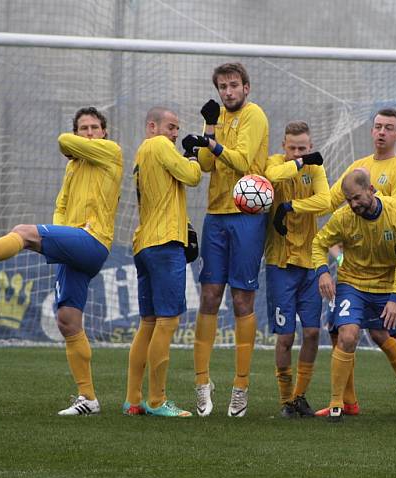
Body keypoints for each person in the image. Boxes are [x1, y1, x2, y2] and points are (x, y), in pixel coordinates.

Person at [0, 107, 123, 416]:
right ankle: (88, 398)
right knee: (67, 320)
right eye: (84, 129)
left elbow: (63, 141)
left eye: (94, 128)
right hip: (73, 244)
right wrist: (60, 234)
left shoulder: (111, 152)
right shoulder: (73, 168)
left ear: (104, 133)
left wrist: (61, 234)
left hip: (93, 241)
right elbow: (61, 206)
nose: (89, 133)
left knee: (23, 233)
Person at [317, 108, 396, 416]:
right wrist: (298, 203)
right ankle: (345, 402)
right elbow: (331, 202)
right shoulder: (358, 166)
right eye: (377, 126)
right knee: (342, 333)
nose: (381, 132)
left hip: (391, 266)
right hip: (356, 272)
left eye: (388, 128)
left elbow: (395, 218)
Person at [186, 62, 269, 418]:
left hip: (248, 217)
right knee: (208, 295)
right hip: (216, 215)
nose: (228, 92)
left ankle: (241, 385)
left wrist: (212, 143)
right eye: (223, 86)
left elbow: (244, 161)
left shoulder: (255, 115)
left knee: (242, 300)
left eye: (234, 85)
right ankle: (202, 384)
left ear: (246, 88)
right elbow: (205, 165)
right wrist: (207, 130)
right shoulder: (216, 115)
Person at [122, 107, 202, 418]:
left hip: (144, 243)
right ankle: (156, 401)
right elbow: (193, 176)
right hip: (165, 244)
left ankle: (132, 399)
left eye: (177, 128)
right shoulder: (157, 144)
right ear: (152, 126)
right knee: (168, 322)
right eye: (170, 126)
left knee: (149, 323)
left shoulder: (143, 154)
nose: (175, 133)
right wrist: (193, 154)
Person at [263, 121, 331, 418]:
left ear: (310, 144)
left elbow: (326, 201)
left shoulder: (315, 170)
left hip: (310, 263)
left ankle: (300, 396)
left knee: (313, 332)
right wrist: (300, 162)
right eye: (292, 148)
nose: (297, 153)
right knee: (285, 337)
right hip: (280, 264)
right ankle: (285, 399)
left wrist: (290, 207)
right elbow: (272, 175)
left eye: (303, 148)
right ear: (284, 146)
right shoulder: (276, 163)